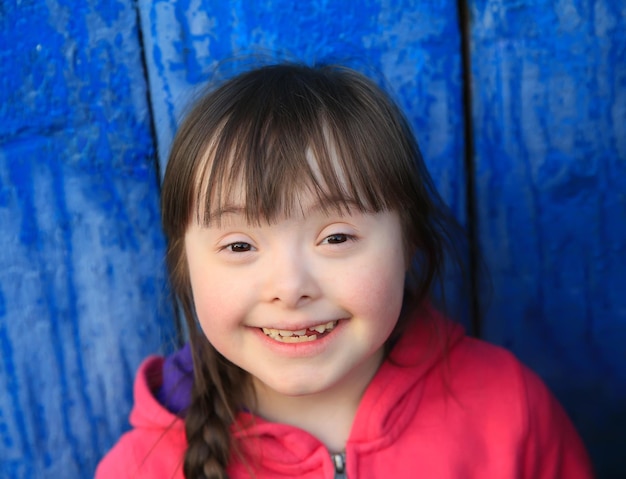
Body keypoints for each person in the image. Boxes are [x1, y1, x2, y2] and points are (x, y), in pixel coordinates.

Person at [96, 63, 593, 479]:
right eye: (240, 244)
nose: (290, 289)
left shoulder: (508, 410)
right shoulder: (140, 468)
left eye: (335, 238)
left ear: (409, 243)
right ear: (185, 266)